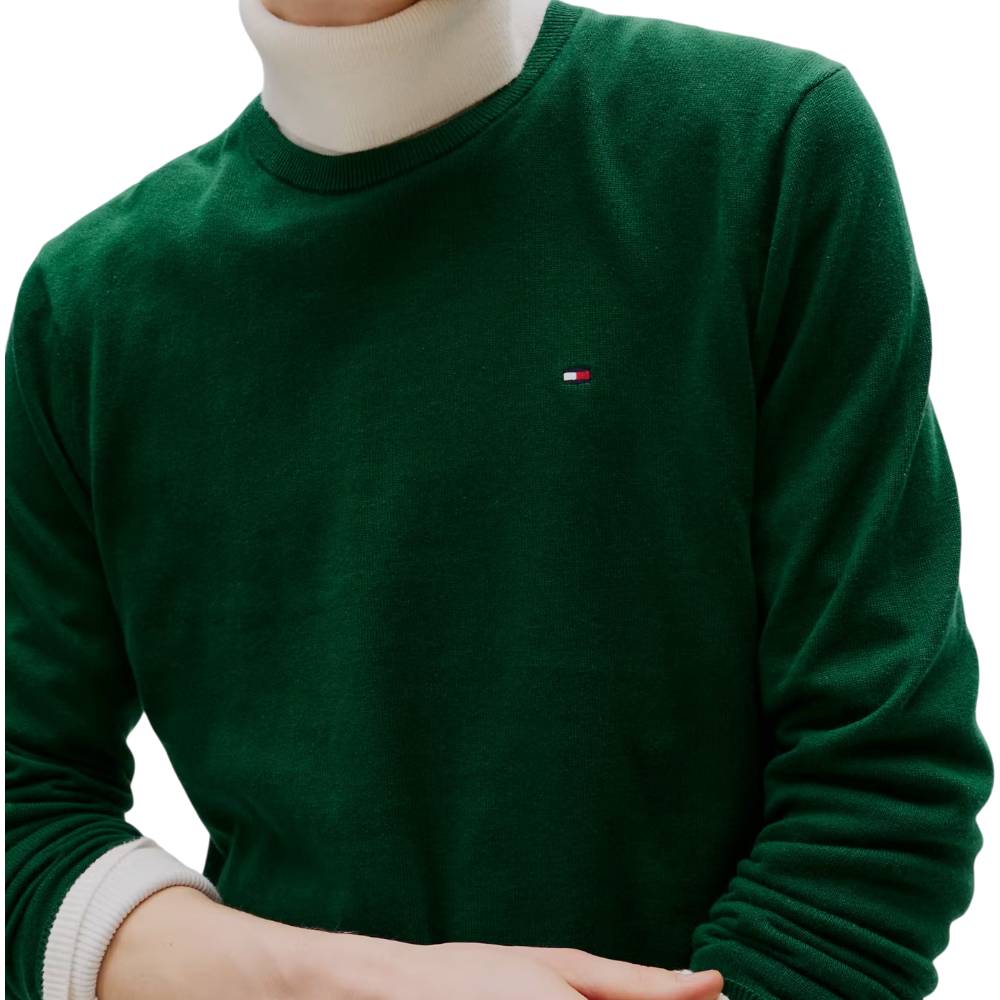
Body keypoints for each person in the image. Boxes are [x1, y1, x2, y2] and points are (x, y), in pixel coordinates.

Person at [5, 0, 993, 998]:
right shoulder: (91, 307)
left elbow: (879, 787)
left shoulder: (761, 143)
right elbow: (23, 808)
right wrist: (330, 983)